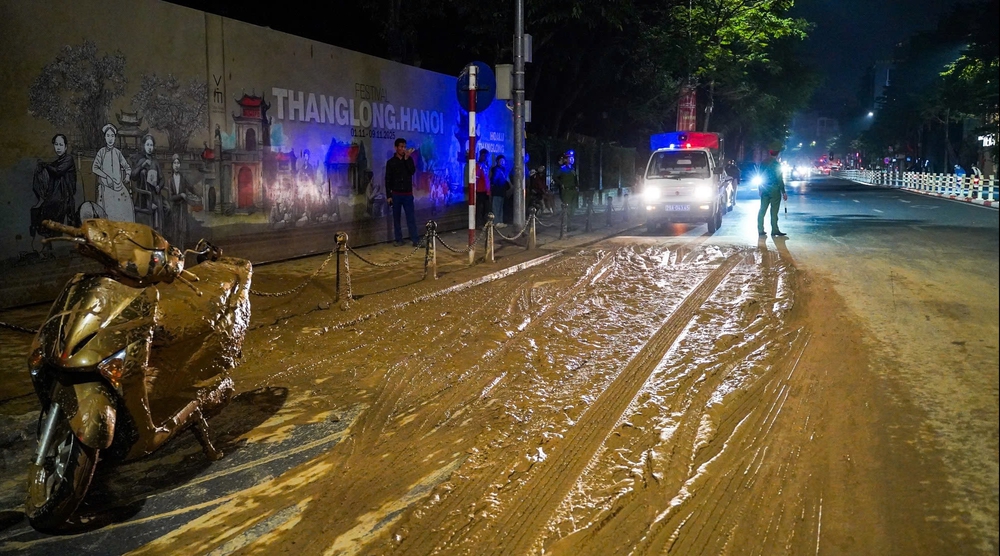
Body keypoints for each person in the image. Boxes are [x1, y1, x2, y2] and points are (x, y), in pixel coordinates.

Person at [31, 133, 78, 243]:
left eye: (61, 145)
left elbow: (58, 171)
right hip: (57, 194)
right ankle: (47, 237)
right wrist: (42, 167)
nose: (58, 147)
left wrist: (46, 165)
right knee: (42, 209)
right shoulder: (57, 162)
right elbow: (51, 169)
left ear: (65, 147)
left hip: (66, 195)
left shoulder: (69, 159)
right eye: (56, 144)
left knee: (53, 206)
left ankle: (53, 236)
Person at [92, 123, 134, 223]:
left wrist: (127, 175)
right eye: (108, 136)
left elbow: (127, 167)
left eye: (112, 136)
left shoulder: (117, 153)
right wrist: (106, 177)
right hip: (106, 187)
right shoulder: (101, 152)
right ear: (105, 137)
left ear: (115, 138)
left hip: (119, 187)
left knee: (126, 207)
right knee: (107, 212)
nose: (110, 138)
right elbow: (94, 168)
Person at [385, 137, 420, 246]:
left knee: (411, 218)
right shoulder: (391, 162)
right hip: (396, 194)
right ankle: (399, 240)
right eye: (401, 147)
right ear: (396, 148)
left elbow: (412, 171)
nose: (403, 149)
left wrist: (406, 159)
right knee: (396, 219)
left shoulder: (409, 160)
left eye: (405, 147)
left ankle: (415, 240)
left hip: (408, 194)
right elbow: (387, 179)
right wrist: (389, 195)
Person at [165, 154, 199, 251]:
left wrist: (197, 194)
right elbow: (171, 197)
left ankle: (182, 250)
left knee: (183, 230)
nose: (176, 165)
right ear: (172, 165)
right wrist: (181, 195)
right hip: (175, 209)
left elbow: (190, 188)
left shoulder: (183, 178)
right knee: (175, 230)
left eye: (178, 163)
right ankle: (175, 251)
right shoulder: (170, 180)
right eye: (175, 163)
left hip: (182, 208)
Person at [131, 134, 165, 231]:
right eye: (147, 145)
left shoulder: (155, 162)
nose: (149, 148)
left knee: (166, 208)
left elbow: (162, 178)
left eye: (151, 145)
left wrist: (159, 186)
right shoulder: (141, 160)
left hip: (155, 193)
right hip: (143, 195)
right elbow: (133, 176)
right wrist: (143, 165)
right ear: (144, 146)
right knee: (143, 172)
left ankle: (159, 232)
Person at [757, 148, 788, 238]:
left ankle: (760, 229)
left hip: (765, 188)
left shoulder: (763, 163)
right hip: (775, 189)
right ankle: (774, 230)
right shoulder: (777, 164)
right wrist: (783, 192)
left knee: (762, 210)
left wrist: (760, 188)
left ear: (769, 153)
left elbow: (759, 176)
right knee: (774, 211)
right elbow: (780, 179)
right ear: (777, 154)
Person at [554, 151, 579, 221]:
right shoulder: (562, 169)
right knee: (567, 208)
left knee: (573, 208)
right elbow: (555, 177)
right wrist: (561, 184)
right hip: (566, 191)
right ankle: (566, 224)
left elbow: (575, 179)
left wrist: (577, 186)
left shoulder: (572, 169)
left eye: (572, 158)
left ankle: (569, 223)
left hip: (573, 190)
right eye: (570, 158)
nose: (572, 159)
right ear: (565, 160)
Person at [489, 154, 510, 228]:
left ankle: (500, 221)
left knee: (500, 207)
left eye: (503, 161)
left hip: (502, 191)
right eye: (500, 161)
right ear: (497, 161)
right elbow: (493, 180)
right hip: (497, 191)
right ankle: (496, 222)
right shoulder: (496, 169)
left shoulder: (503, 170)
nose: (502, 162)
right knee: (496, 207)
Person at [475, 148, 491, 226]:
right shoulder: (478, 166)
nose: (486, 158)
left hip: (486, 190)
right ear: (481, 156)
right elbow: (476, 178)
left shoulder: (485, 166)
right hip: (480, 190)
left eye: (487, 156)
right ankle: (479, 223)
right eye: (485, 156)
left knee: (486, 208)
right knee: (480, 208)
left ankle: (485, 223)